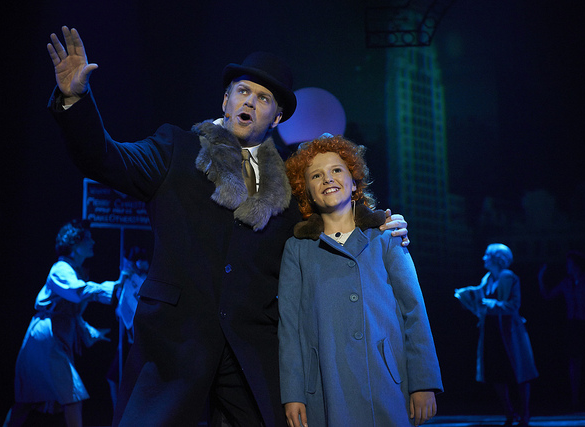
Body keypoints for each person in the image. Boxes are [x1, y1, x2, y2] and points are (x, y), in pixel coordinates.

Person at [46, 26, 409, 426]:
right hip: (174, 341)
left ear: (277, 117)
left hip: (251, 352)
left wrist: (382, 226)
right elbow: (105, 158)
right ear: (226, 99)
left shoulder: (290, 182)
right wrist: (75, 101)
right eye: (242, 91)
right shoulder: (176, 148)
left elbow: (333, 226)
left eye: (263, 98)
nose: (250, 101)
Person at [278, 135, 443, 427]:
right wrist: (293, 394)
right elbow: (289, 328)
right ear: (307, 192)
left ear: (354, 182)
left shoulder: (386, 237)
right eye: (316, 175)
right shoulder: (298, 249)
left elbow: (414, 311)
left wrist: (423, 382)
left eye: (336, 170)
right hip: (325, 389)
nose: (328, 179)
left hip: (386, 383)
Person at [3, 219, 124, 427]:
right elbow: (78, 292)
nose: (93, 242)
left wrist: (92, 333)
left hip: (53, 338)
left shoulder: (76, 270)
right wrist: (112, 288)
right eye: (87, 238)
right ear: (74, 244)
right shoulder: (61, 268)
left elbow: (72, 314)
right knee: (71, 394)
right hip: (46, 340)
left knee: (28, 400)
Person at [454, 244, 538, 427]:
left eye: (487, 255)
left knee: (520, 372)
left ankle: (525, 413)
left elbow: (513, 305)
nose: (484, 258)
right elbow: (480, 299)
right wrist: (467, 296)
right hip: (492, 332)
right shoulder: (487, 279)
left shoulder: (509, 277)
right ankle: (509, 412)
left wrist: (491, 304)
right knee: (496, 373)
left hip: (510, 332)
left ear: (497, 258)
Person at [538, 250, 585, 410]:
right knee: (574, 362)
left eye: (570, 264)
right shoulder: (566, 282)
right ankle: (575, 399)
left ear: (578, 266)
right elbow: (548, 296)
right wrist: (540, 279)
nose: (567, 267)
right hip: (573, 325)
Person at [106, 246, 150, 407]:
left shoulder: (147, 280)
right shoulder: (128, 280)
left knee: (138, 382)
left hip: (142, 341)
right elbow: (120, 306)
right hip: (127, 341)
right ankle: (119, 415)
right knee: (113, 377)